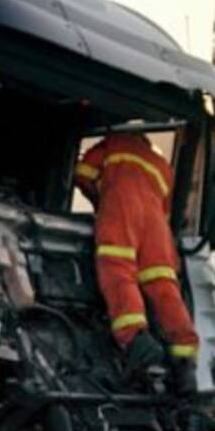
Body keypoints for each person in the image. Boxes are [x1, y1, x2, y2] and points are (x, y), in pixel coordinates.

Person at [75, 131, 198, 393]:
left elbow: (84, 173)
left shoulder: (113, 143)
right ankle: (185, 359)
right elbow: (165, 208)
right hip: (156, 225)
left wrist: (101, 199)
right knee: (164, 284)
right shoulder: (161, 164)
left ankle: (137, 343)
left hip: (121, 206)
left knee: (119, 270)